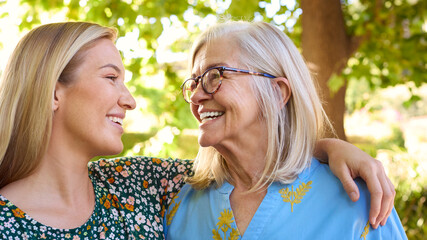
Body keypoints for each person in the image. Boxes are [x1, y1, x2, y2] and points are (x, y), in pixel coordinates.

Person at [0, 22, 394, 239]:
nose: (131, 100)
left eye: (216, 76)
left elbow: (272, 163)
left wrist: (329, 147)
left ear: (278, 92)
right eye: (110, 77)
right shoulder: (175, 198)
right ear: (53, 91)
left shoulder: (137, 187)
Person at [164, 21, 406, 239]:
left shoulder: (360, 201)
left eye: (215, 75)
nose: (196, 96)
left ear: (277, 92)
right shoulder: (177, 203)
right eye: (194, 82)